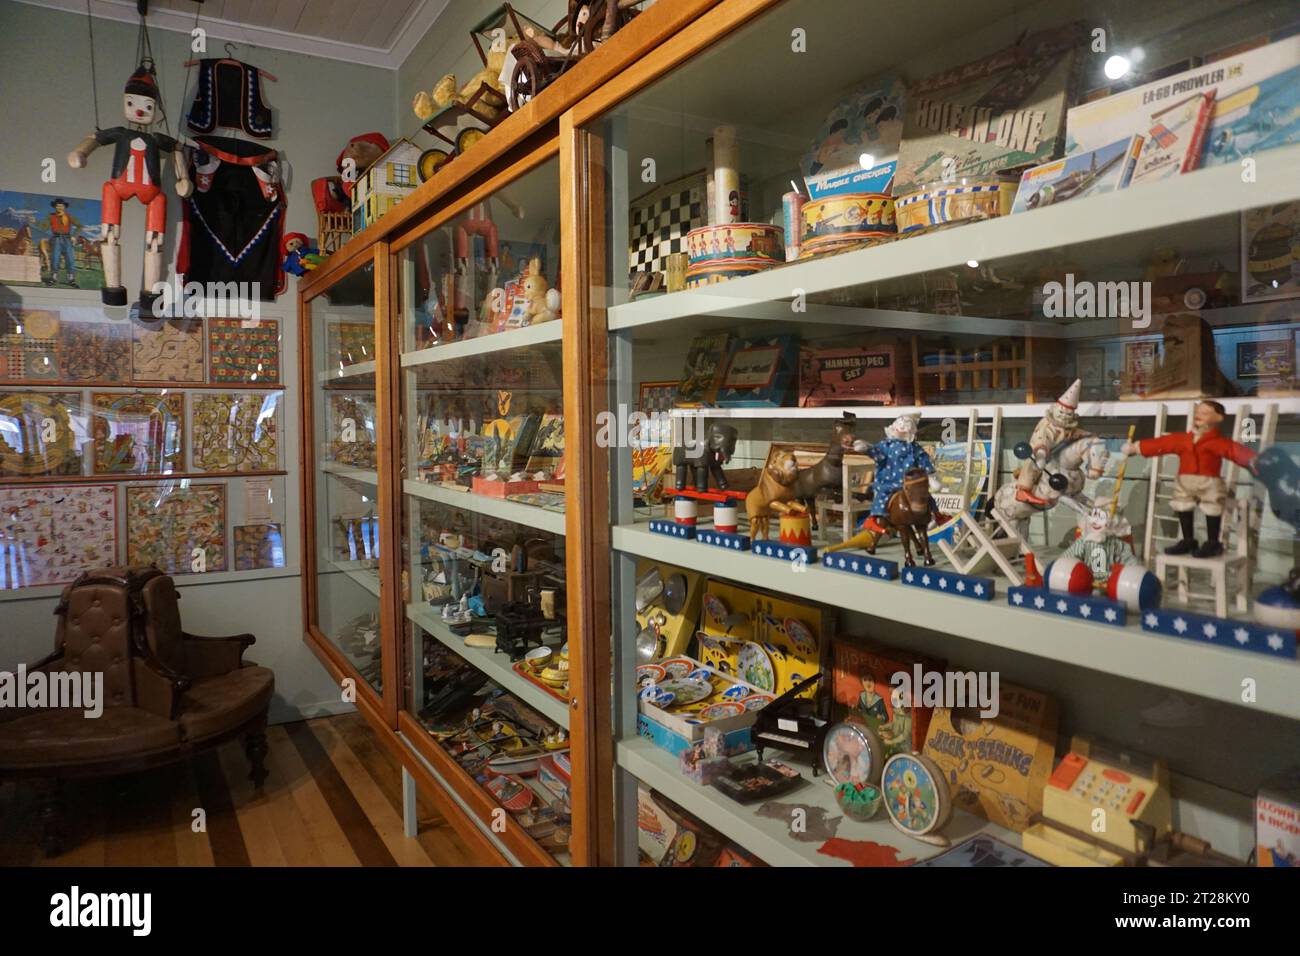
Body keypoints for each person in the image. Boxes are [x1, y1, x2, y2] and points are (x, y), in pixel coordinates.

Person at [1123, 399, 1257, 558]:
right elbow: (1163, 443)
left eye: (1204, 413)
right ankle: (1188, 540)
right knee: (1182, 505)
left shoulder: (1217, 441)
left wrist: (1253, 460)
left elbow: (1233, 450)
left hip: (1209, 481)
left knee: (1212, 506)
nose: (1198, 416)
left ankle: (1213, 542)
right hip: (1185, 481)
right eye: (1197, 412)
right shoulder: (1184, 439)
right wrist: (1137, 447)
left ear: (1218, 418)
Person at [858, 413, 935, 536]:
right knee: (881, 497)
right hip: (889, 481)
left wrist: (930, 476)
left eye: (905, 427)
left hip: (910, 482)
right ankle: (873, 519)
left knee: (926, 496)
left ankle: (936, 514)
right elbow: (878, 453)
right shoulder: (886, 445)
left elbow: (922, 459)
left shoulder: (914, 448)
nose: (901, 429)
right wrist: (867, 448)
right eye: (899, 426)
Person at [1017, 379, 1087, 505]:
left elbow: (1076, 433)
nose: (1063, 416)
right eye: (1061, 412)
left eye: (1068, 414)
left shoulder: (1067, 427)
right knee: (1033, 466)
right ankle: (1023, 490)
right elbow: (1043, 438)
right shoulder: (1048, 425)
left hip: (1055, 454)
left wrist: (1089, 436)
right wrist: (1042, 453)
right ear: (1054, 409)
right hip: (1040, 451)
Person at [44, 198, 81, 286]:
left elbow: (79, 226)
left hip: (67, 239)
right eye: (57, 206)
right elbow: (44, 226)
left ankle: (71, 279)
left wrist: (74, 236)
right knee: (55, 258)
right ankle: (53, 278)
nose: (59, 207)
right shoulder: (51, 216)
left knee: (70, 259)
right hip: (56, 239)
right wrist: (36, 222)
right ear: (55, 207)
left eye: (61, 206)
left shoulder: (69, 216)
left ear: (64, 207)